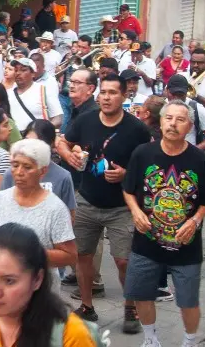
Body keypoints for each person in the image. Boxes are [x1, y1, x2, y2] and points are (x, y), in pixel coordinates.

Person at [123, 102, 205, 347]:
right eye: (169, 118)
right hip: (146, 240)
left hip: (185, 244)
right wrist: (136, 211)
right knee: (140, 293)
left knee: (187, 300)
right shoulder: (143, 153)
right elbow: (129, 190)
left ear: (189, 126)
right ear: (160, 123)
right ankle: (151, 342)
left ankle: (189, 344)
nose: (173, 124)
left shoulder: (199, 159)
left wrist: (195, 220)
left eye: (181, 120)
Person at [56, 74, 153, 324]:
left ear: (123, 96)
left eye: (113, 92)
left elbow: (151, 165)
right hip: (87, 200)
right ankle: (87, 306)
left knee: (123, 260)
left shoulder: (137, 129)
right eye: (104, 92)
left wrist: (126, 174)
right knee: (82, 256)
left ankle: (129, 306)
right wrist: (70, 157)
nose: (107, 97)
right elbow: (63, 142)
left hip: (122, 205)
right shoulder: (86, 120)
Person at [0, 139, 77, 270]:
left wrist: (27, 256)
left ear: (42, 171)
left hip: (39, 285)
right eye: (15, 165)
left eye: (27, 167)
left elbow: (69, 255)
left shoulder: (55, 208)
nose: (19, 172)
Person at [7, 56, 63, 131]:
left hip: (37, 139)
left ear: (33, 73)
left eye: (23, 70)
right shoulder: (8, 93)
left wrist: (42, 130)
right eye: (16, 70)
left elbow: (58, 118)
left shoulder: (44, 91)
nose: (18, 73)